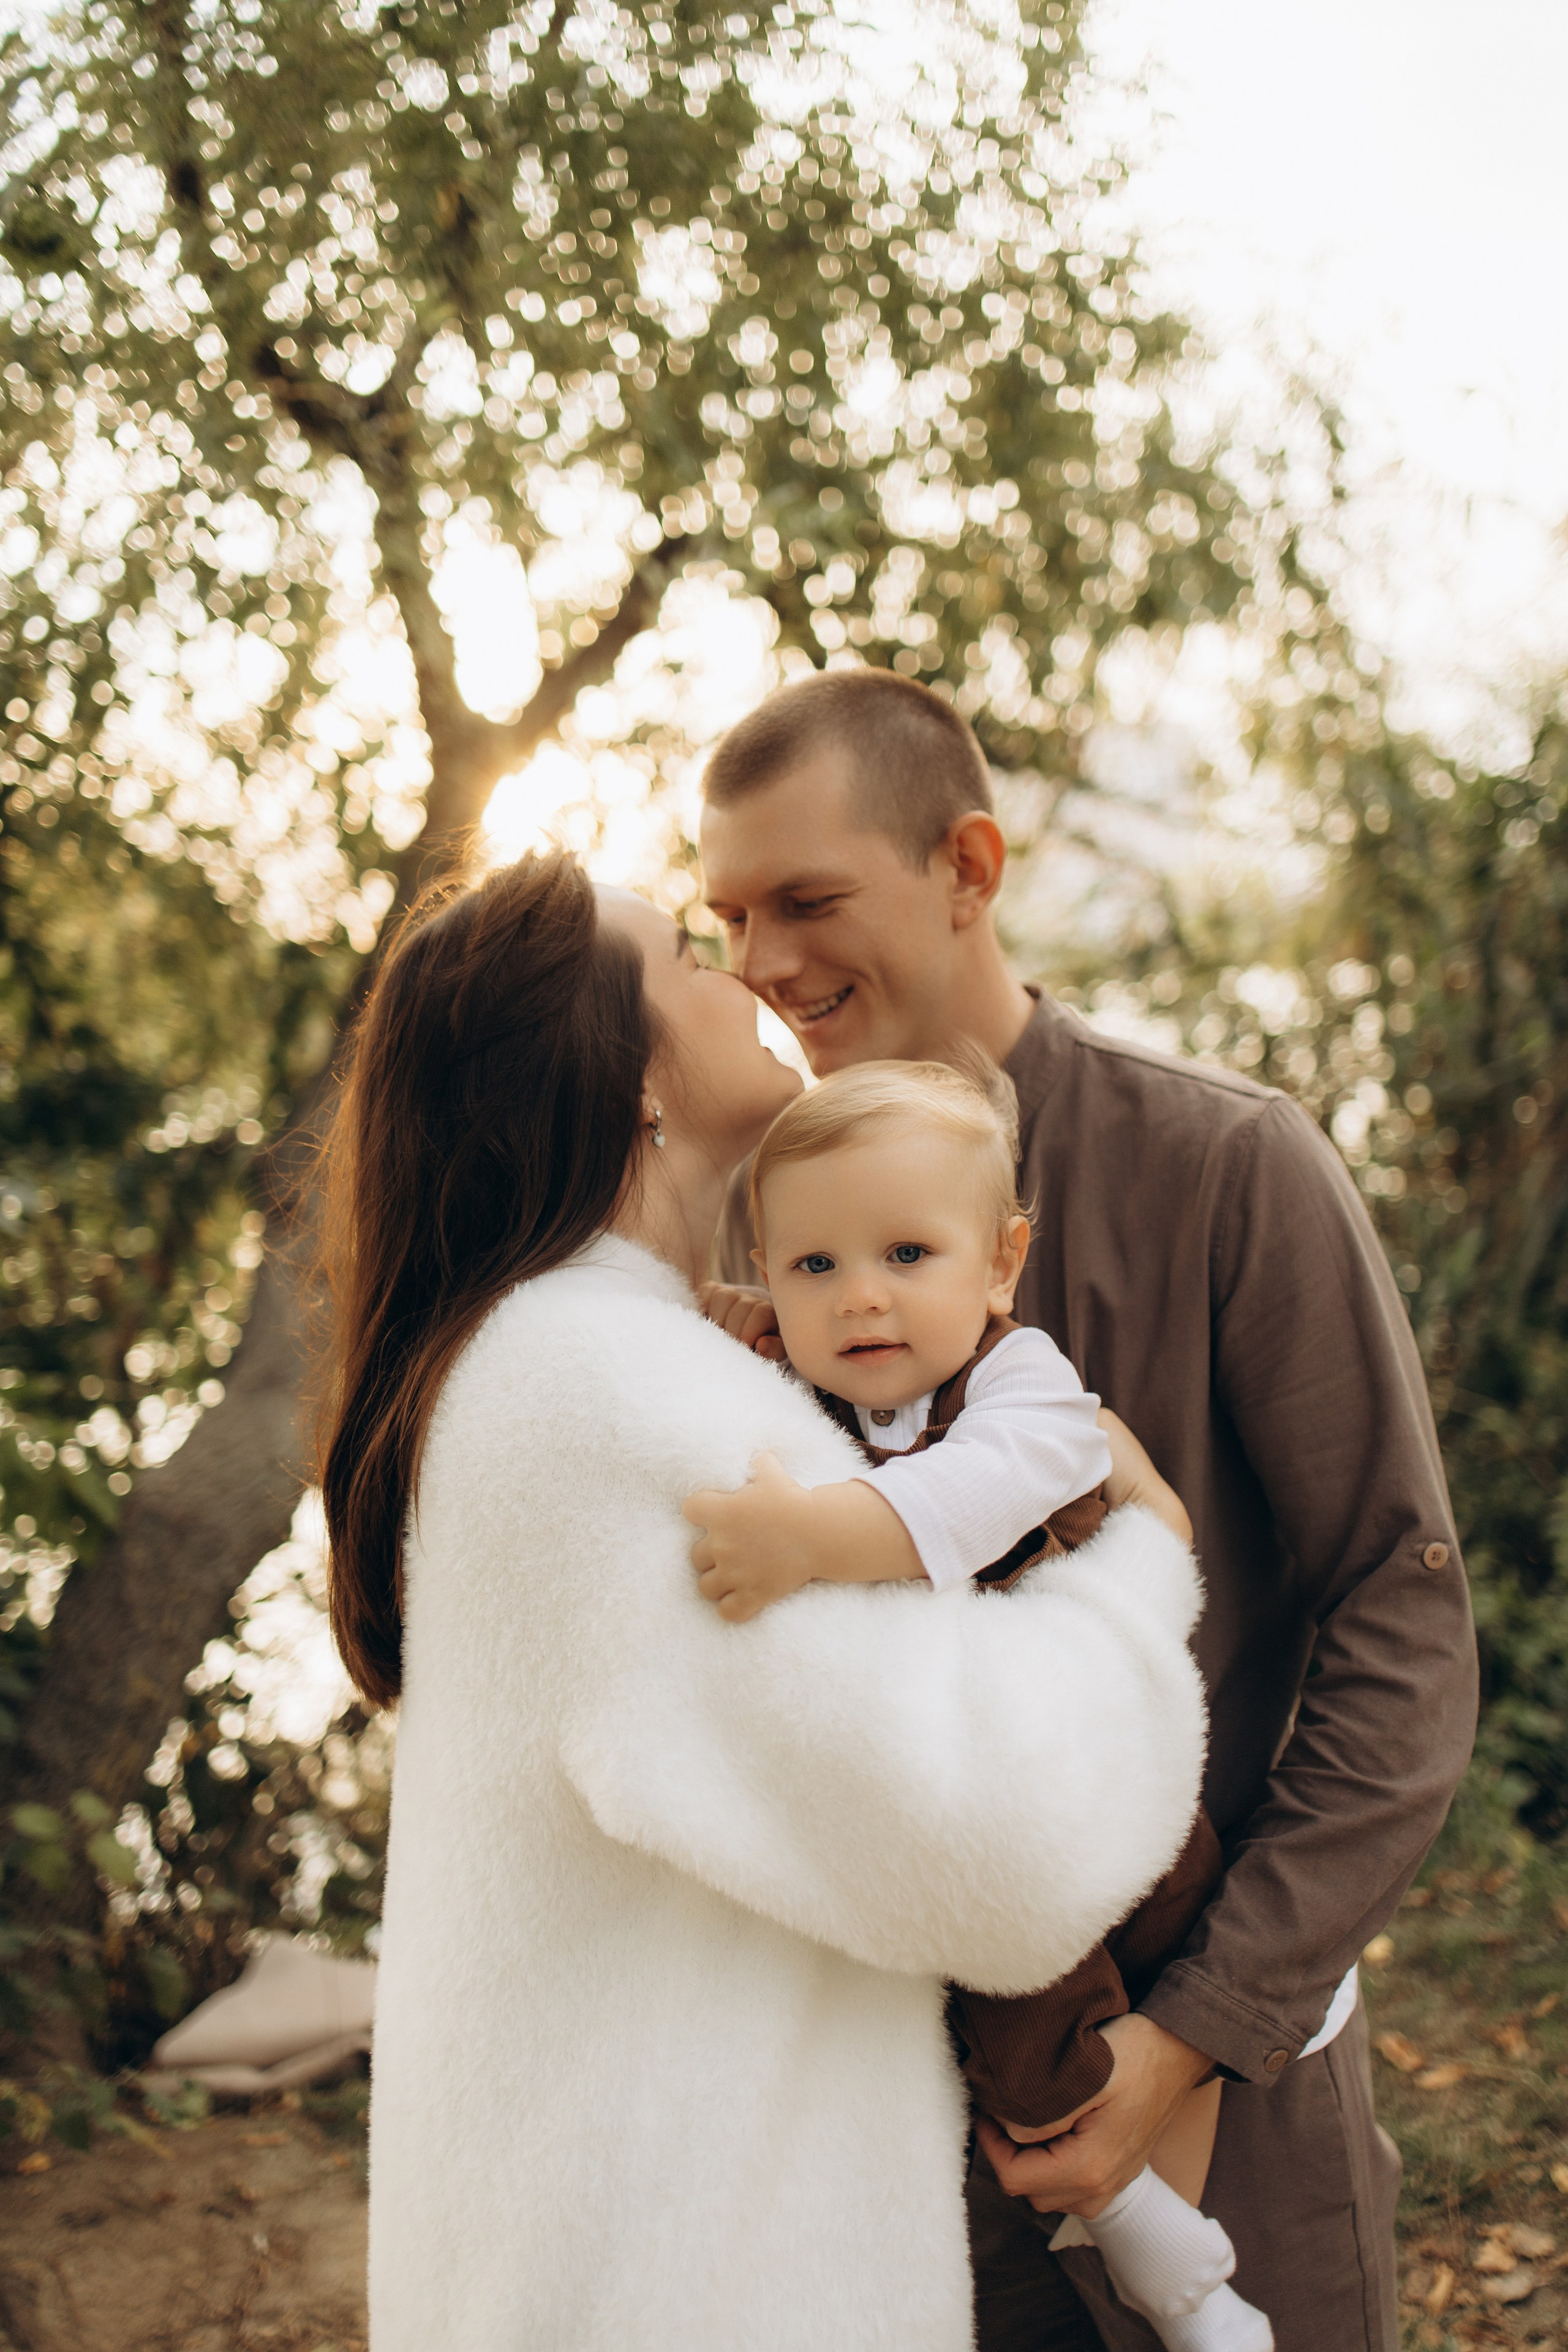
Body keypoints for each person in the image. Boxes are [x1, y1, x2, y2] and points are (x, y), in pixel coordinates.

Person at [314, 849, 1211, 2351]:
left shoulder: (565, 1358)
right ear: (633, 1077)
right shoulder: (602, 1388)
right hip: (689, 2285)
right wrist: (1141, 1565)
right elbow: (990, 1843)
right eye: (684, 952)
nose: (746, 974)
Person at [699, 667, 1479, 2352]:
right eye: (729, 917)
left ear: (969, 868)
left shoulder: (1230, 1168)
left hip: (1219, 2093)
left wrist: (1193, 2031)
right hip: (882, 2143)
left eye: (806, 899)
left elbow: (1398, 1622)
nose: (760, 963)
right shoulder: (742, 1245)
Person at [688, 1055, 1271, 2352]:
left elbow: (990, 1490)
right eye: (814, 1267)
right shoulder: (796, 1382)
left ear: (1000, 1262)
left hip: (1100, 1773)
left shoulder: (1023, 1383)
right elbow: (707, 1325)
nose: (864, 1297)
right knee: (1022, 2031)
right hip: (981, 1824)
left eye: (907, 1250)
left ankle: (1178, 2197)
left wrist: (810, 1541)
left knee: (1182, 1934)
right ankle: (1152, 2252)